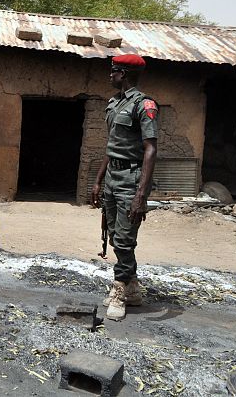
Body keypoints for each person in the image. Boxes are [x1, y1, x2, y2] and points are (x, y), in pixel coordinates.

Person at [91, 54, 158, 321]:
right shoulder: (114, 103)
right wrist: (98, 180)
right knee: (112, 231)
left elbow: (151, 149)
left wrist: (141, 194)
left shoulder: (145, 104)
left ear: (123, 74)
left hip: (132, 179)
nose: (110, 76)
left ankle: (120, 291)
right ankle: (132, 288)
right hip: (112, 176)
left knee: (124, 238)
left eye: (113, 72)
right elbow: (112, 145)